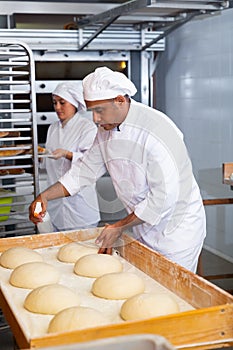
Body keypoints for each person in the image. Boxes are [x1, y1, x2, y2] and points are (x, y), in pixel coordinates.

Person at [30, 67, 206, 273]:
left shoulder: (158, 131)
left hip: (177, 233)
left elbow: (163, 198)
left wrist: (119, 226)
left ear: (120, 100)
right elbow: (83, 172)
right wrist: (45, 196)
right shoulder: (106, 128)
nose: (94, 119)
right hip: (143, 226)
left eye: (99, 111)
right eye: (91, 111)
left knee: (174, 296)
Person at [38, 81, 100, 231]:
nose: (57, 107)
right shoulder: (52, 128)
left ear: (74, 103)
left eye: (62, 102)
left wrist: (67, 154)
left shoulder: (87, 127)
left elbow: (91, 161)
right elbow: (49, 164)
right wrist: (41, 157)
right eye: (55, 103)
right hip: (56, 207)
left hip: (80, 206)